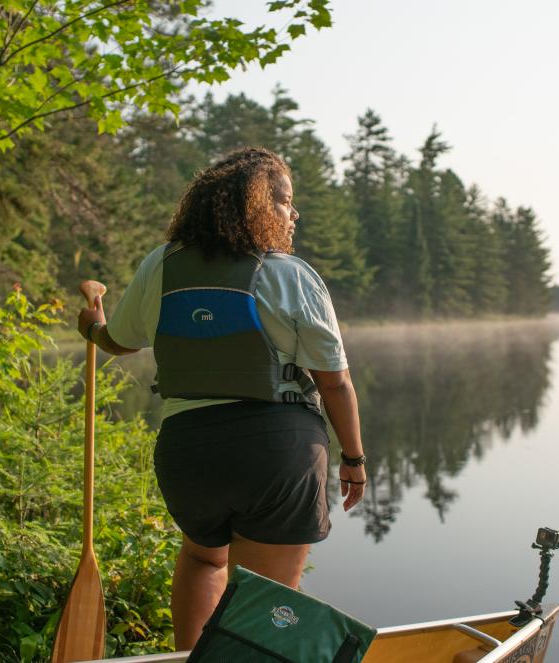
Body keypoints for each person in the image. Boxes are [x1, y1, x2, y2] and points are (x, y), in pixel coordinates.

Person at [77, 147, 366, 650]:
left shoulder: (161, 265)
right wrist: (355, 459)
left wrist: (92, 324)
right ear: (253, 207)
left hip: (188, 453)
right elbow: (335, 382)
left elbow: (116, 341)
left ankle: (190, 659)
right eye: (282, 201)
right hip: (275, 453)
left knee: (202, 559)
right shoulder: (290, 274)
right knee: (267, 598)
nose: (292, 213)